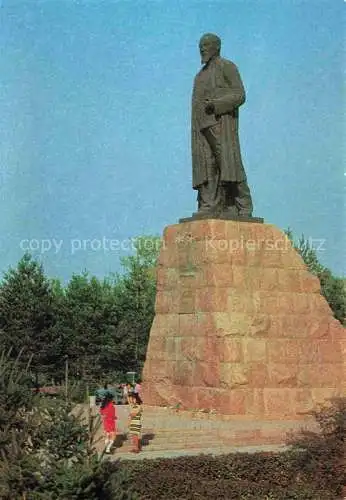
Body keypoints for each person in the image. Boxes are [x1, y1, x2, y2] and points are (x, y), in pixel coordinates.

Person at [191, 33, 253, 217]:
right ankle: (211, 204)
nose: (202, 48)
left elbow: (239, 94)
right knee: (208, 167)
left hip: (221, 124)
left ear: (216, 47)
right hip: (202, 127)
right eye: (200, 45)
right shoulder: (200, 75)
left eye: (206, 44)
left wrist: (217, 104)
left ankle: (244, 206)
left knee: (229, 164)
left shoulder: (227, 67)